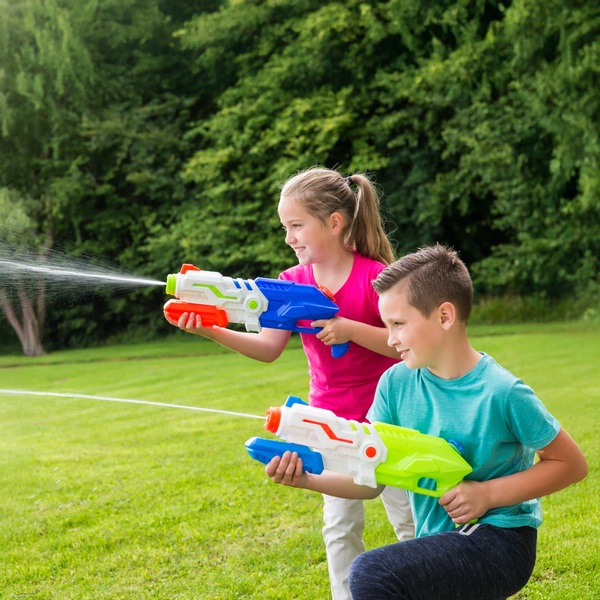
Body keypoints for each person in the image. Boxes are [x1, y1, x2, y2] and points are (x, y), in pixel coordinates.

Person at [265, 244, 588, 600]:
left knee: (373, 572)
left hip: (502, 540)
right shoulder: (394, 384)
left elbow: (571, 464)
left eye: (399, 324)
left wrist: (486, 494)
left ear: (445, 316)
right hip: (437, 537)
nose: (390, 339)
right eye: (387, 326)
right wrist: (306, 478)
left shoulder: (503, 391)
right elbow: (371, 482)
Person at [164, 167, 414, 599]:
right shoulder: (289, 283)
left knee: (410, 522)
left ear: (335, 223)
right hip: (330, 425)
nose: (289, 238)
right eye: (285, 227)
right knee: (339, 528)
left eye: (296, 226)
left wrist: (351, 329)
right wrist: (210, 329)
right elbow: (268, 348)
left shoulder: (377, 279)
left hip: (391, 420)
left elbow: (406, 345)